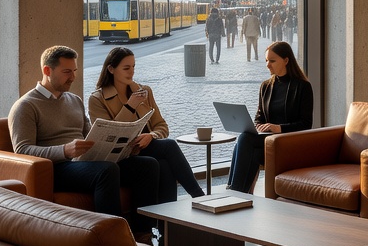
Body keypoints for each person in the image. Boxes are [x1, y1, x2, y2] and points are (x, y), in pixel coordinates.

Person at [8, 45, 161, 241]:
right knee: (107, 171)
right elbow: (22, 150)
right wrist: (64, 150)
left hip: (83, 161)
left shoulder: (75, 100)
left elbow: (91, 135)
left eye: (74, 71)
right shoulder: (26, 106)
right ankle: (114, 239)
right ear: (47, 70)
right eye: (67, 72)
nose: (73, 77)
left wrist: (121, 144)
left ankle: (143, 234)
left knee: (147, 165)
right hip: (57, 167)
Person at [89, 46, 205, 201]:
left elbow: (161, 126)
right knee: (169, 146)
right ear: (111, 69)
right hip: (122, 155)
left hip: (145, 147)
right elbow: (109, 135)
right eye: (126, 68)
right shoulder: (97, 99)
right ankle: (199, 196)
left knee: (164, 165)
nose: (131, 72)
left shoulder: (144, 91)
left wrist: (151, 135)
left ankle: (168, 214)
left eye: (133, 67)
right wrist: (130, 106)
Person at [226, 41, 314, 193]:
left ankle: (234, 192)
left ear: (286, 60)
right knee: (250, 149)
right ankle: (239, 194)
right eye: (266, 60)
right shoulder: (266, 86)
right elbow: (259, 117)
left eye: (272, 61)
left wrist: (278, 128)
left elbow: (306, 124)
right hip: (267, 141)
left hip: (288, 141)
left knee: (245, 139)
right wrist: (258, 126)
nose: (267, 65)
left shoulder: (303, 87)